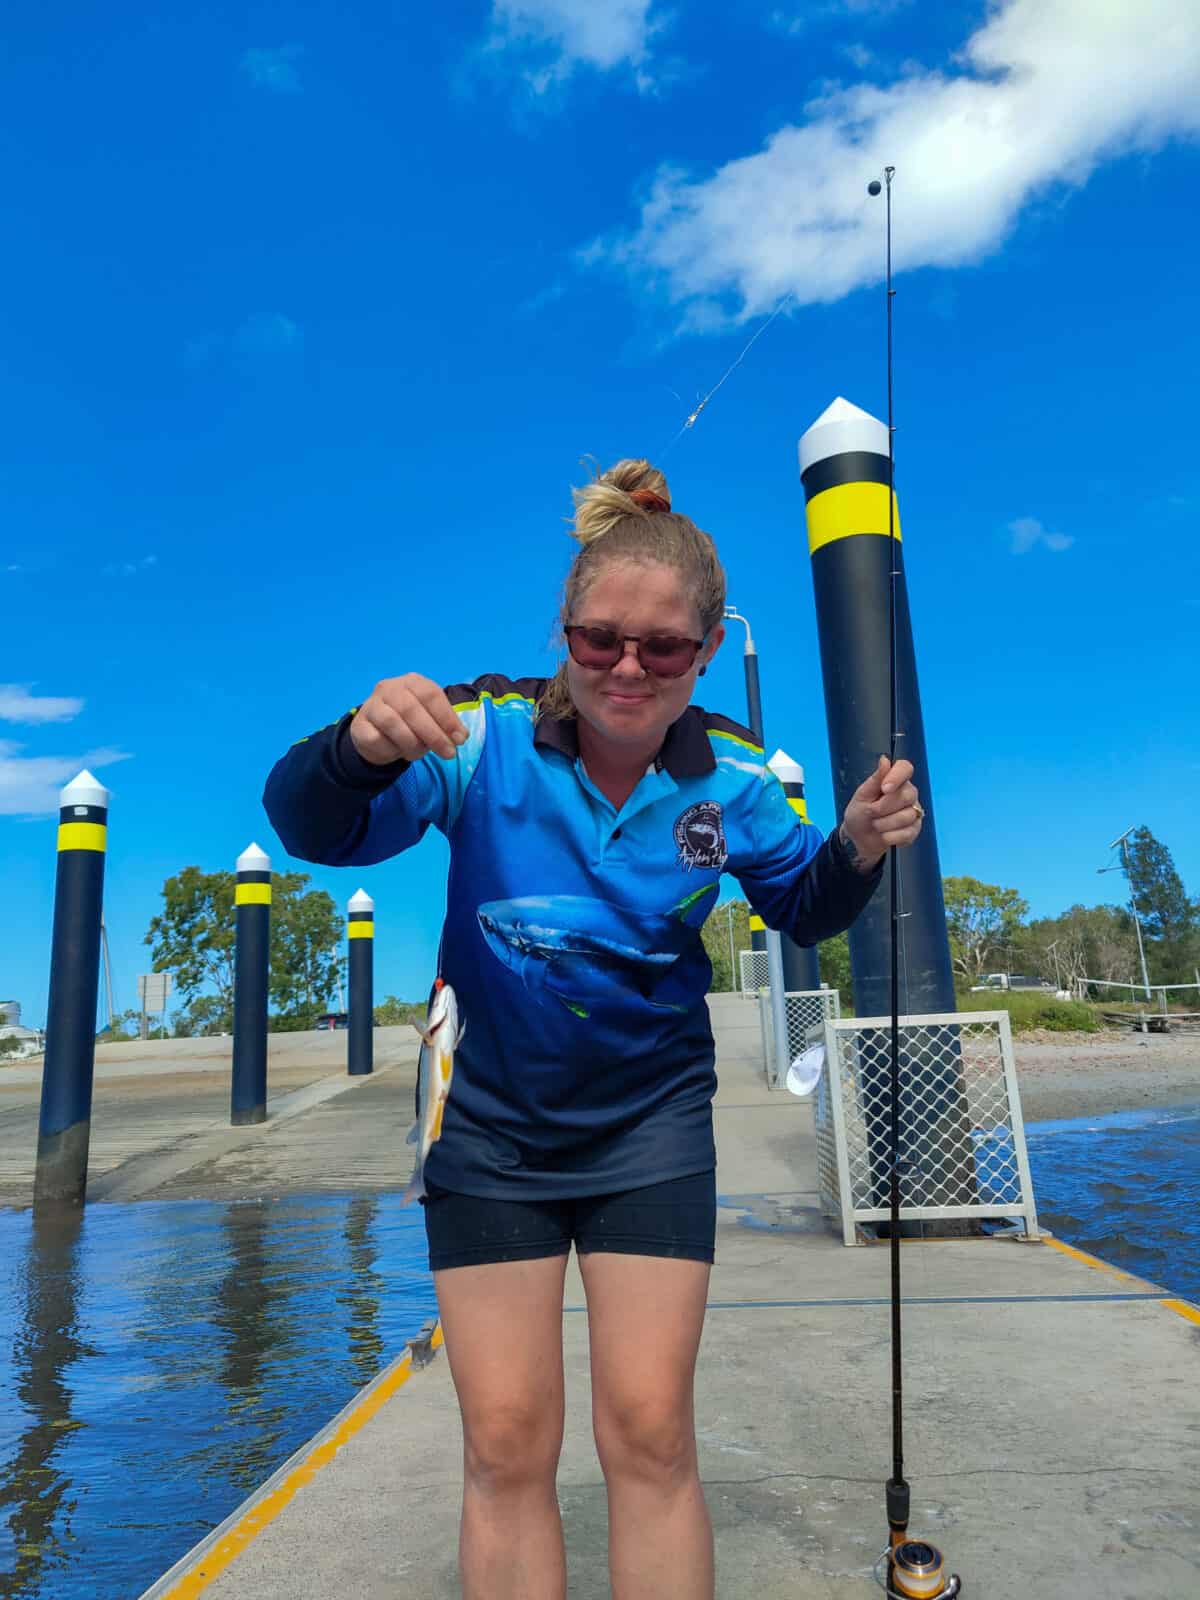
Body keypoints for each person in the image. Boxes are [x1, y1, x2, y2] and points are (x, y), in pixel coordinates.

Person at [262, 458, 925, 1600]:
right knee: (507, 1441)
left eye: (662, 647)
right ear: (563, 632)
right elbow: (312, 825)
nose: (627, 665)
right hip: (487, 1133)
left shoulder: (742, 781)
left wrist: (859, 844)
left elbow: (802, 904)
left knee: (652, 1432)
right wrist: (355, 747)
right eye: (598, 637)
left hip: (651, 1130)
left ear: (706, 651)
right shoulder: (478, 738)